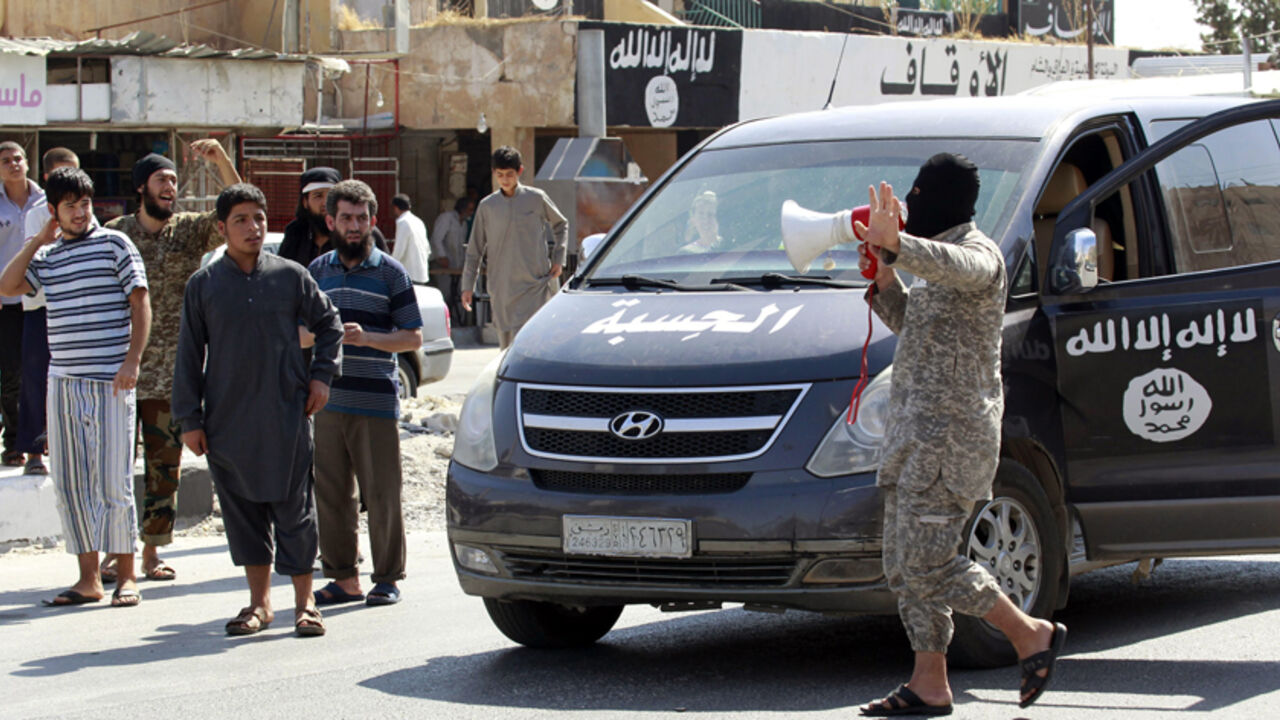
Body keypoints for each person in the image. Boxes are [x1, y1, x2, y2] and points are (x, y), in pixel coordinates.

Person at [854, 154, 1065, 716]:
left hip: (951, 446)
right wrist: (886, 278)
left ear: (944, 198)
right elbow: (913, 323)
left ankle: (1028, 633)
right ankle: (929, 683)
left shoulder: (979, 256)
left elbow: (958, 267)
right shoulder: (932, 267)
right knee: (904, 566)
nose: (913, 203)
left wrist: (898, 243)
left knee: (928, 563)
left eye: (921, 195)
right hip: (914, 443)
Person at [172, 183, 342, 637]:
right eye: (241, 219)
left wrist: (322, 377)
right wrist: (190, 419)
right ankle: (259, 605)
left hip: (286, 414)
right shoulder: (203, 285)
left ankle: (305, 605)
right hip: (227, 420)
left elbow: (330, 325)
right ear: (222, 228)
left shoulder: (290, 275)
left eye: (259, 218)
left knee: (296, 512)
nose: (253, 227)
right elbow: (188, 353)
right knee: (242, 514)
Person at [0, 167, 151, 608]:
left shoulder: (115, 244)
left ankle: (126, 575)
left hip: (111, 381)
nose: (81, 212)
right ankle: (88, 578)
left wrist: (132, 361)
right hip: (63, 383)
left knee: (114, 480)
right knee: (71, 482)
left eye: (85, 204)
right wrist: (38, 240)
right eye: (70, 206)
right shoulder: (47, 259)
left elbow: (140, 304)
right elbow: (8, 285)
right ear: (53, 211)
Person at [100, 140, 240, 584]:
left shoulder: (189, 230)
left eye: (175, 182)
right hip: (123, 372)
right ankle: (114, 551)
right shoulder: (116, 232)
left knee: (165, 469)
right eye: (163, 180)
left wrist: (220, 161)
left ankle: (151, 552)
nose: (171, 188)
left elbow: (240, 208)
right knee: (116, 469)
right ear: (142, 186)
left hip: (173, 375)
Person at [305, 180, 422, 608]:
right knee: (332, 494)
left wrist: (368, 338)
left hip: (375, 402)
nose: (354, 226)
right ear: (331, 221)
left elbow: (412, 337)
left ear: (373, 221)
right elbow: (300, 332)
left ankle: (388, 577)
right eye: (346, 218)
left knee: (382, 494)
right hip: (328, 401)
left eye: (361, 218)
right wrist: (320, 337)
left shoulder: (391, 272)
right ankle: (342, 578)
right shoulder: (317, 272)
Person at [460, 146, 568, 349]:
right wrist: (468, 285)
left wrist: (558, 259)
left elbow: (561, 224)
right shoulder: (487, 206)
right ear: (494, 174)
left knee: (537, 344)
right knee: (507, 350)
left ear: (519, 171)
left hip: (535, 285)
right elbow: (474, 250)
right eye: (500, 175)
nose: (505, 180)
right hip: (503, 289)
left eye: (509, 174)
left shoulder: (536, 198)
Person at [17, 148, 81, 477]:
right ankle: (33, 450)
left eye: (74, 172)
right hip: (41, 306)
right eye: (61, 173)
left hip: (75, 308)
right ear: (46, 177)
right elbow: (36, 263)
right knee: (35, 377)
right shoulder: (37, 213)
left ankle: (67, 446)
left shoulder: (86, 212)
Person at [0, 141, 43, 468]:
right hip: (6, 301)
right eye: (5, 161)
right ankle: (12, 442)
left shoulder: (45, 200)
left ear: (27, 163)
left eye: (18, 159)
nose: (13, 164)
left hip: (41, 300)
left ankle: (40, 441)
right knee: (11, 373)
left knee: (38, 372)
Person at [278, 166, 388, 268]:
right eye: (318, 196)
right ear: (305, 202)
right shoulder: (296, 233)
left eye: (330, 196)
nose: (325, 203)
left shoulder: (362, 231)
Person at [430, 196, 473, 321]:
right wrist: (442, 256)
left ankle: (455, 320)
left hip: (456, 265)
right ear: (462, 208)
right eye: (469, 209)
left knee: (458, 295)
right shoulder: (446, 218)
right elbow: (436, 239)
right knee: (445, 294)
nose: (471, 212)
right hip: (442, 264)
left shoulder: (463, 223)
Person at [389, 193, 430, 284]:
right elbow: (427, 249)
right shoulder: (418, 221)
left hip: (410, 275)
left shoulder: (403, 222)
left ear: (395, 208)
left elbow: (399, 250)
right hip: (421, 273)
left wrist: (388, 268)